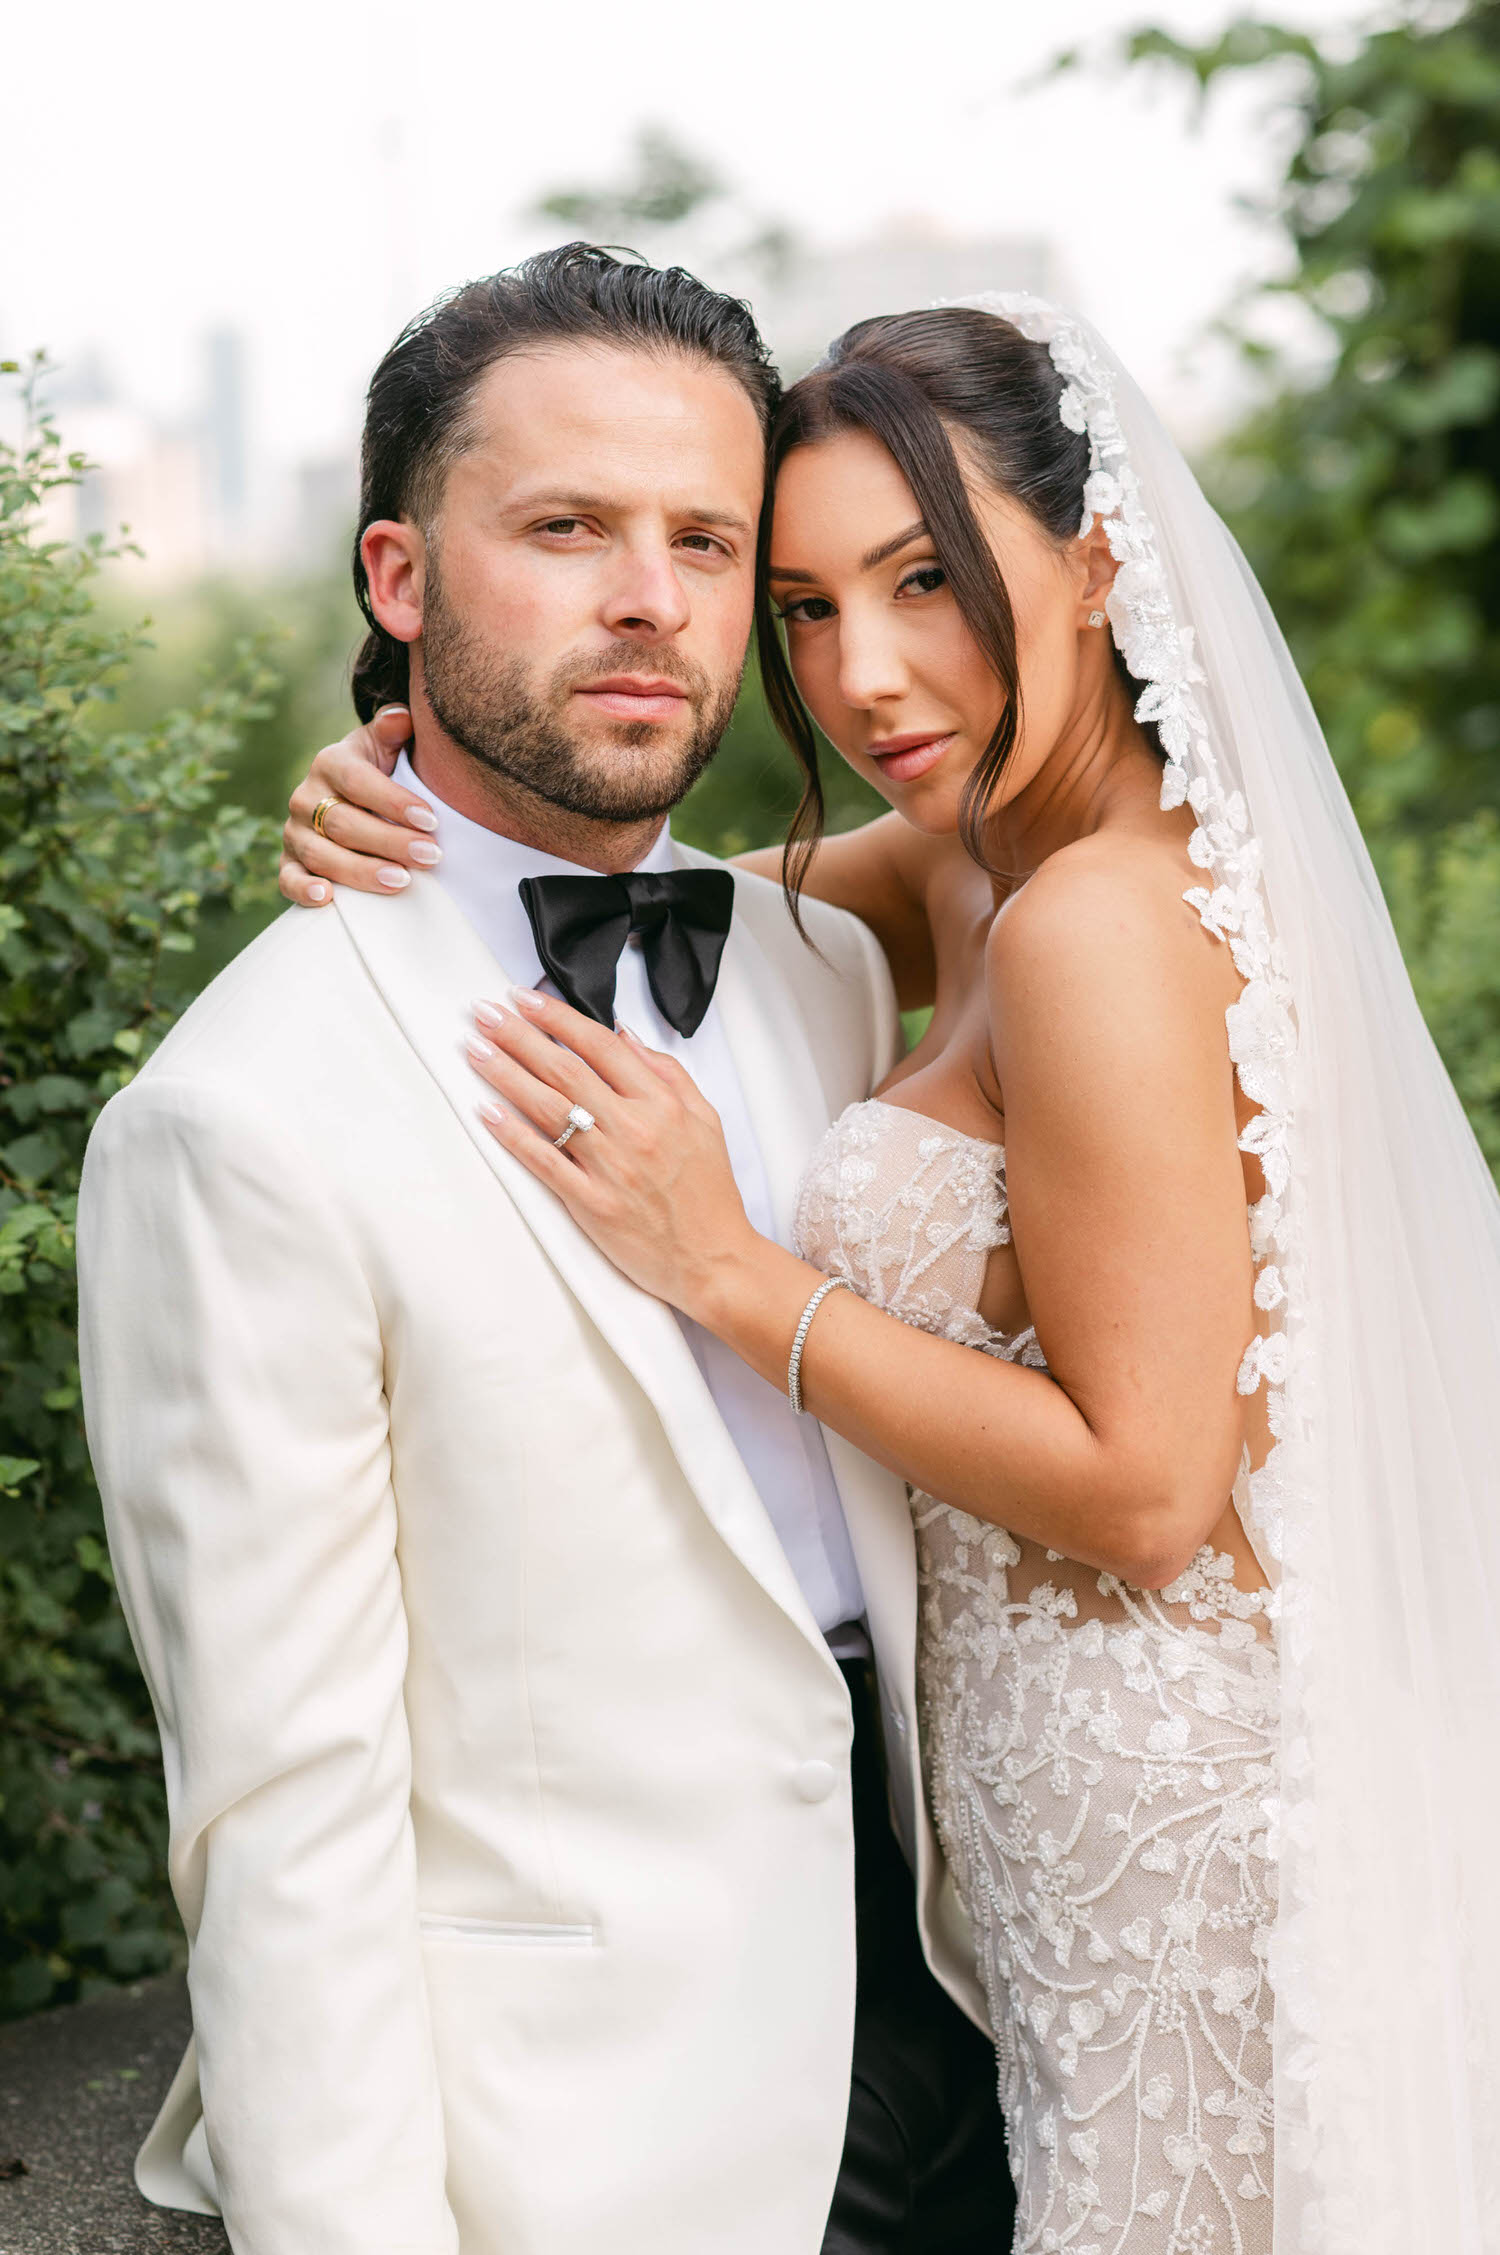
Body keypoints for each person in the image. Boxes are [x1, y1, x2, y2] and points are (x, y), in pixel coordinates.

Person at [288, 291, 1500, 2252]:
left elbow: (1148, 1487)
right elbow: (658, 909)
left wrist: (727, 1270)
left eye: (928, 580)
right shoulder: (977, 853)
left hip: (1173, 1839)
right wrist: (395, 789)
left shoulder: (1092, 925)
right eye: (803, 606)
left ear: (1097, 561)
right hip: (1040, 1840)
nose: (863, 676)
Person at [76, 247, 1014, 2255]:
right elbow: (282, 1814)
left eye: (706, 541)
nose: (651, 600)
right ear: (400, 577)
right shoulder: (237, 1120)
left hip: (996, 2011)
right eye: (568, 529)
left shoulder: (828, 963)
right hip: (603, 2140)